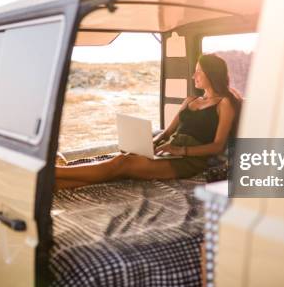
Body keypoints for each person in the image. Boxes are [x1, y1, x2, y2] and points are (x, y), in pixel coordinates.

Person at [55, 53, 242, 190]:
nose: (194, 76)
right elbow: (167, 133)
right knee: (121, 163)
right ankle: (54, 184)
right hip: (169, 152)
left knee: (122, 163)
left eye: (198, 72)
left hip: (189, 161)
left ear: (212, 74)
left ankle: (54, 173)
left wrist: (180, 150)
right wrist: (149, 144)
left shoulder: (224, 103)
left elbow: (217, 146)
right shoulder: (190, 101)